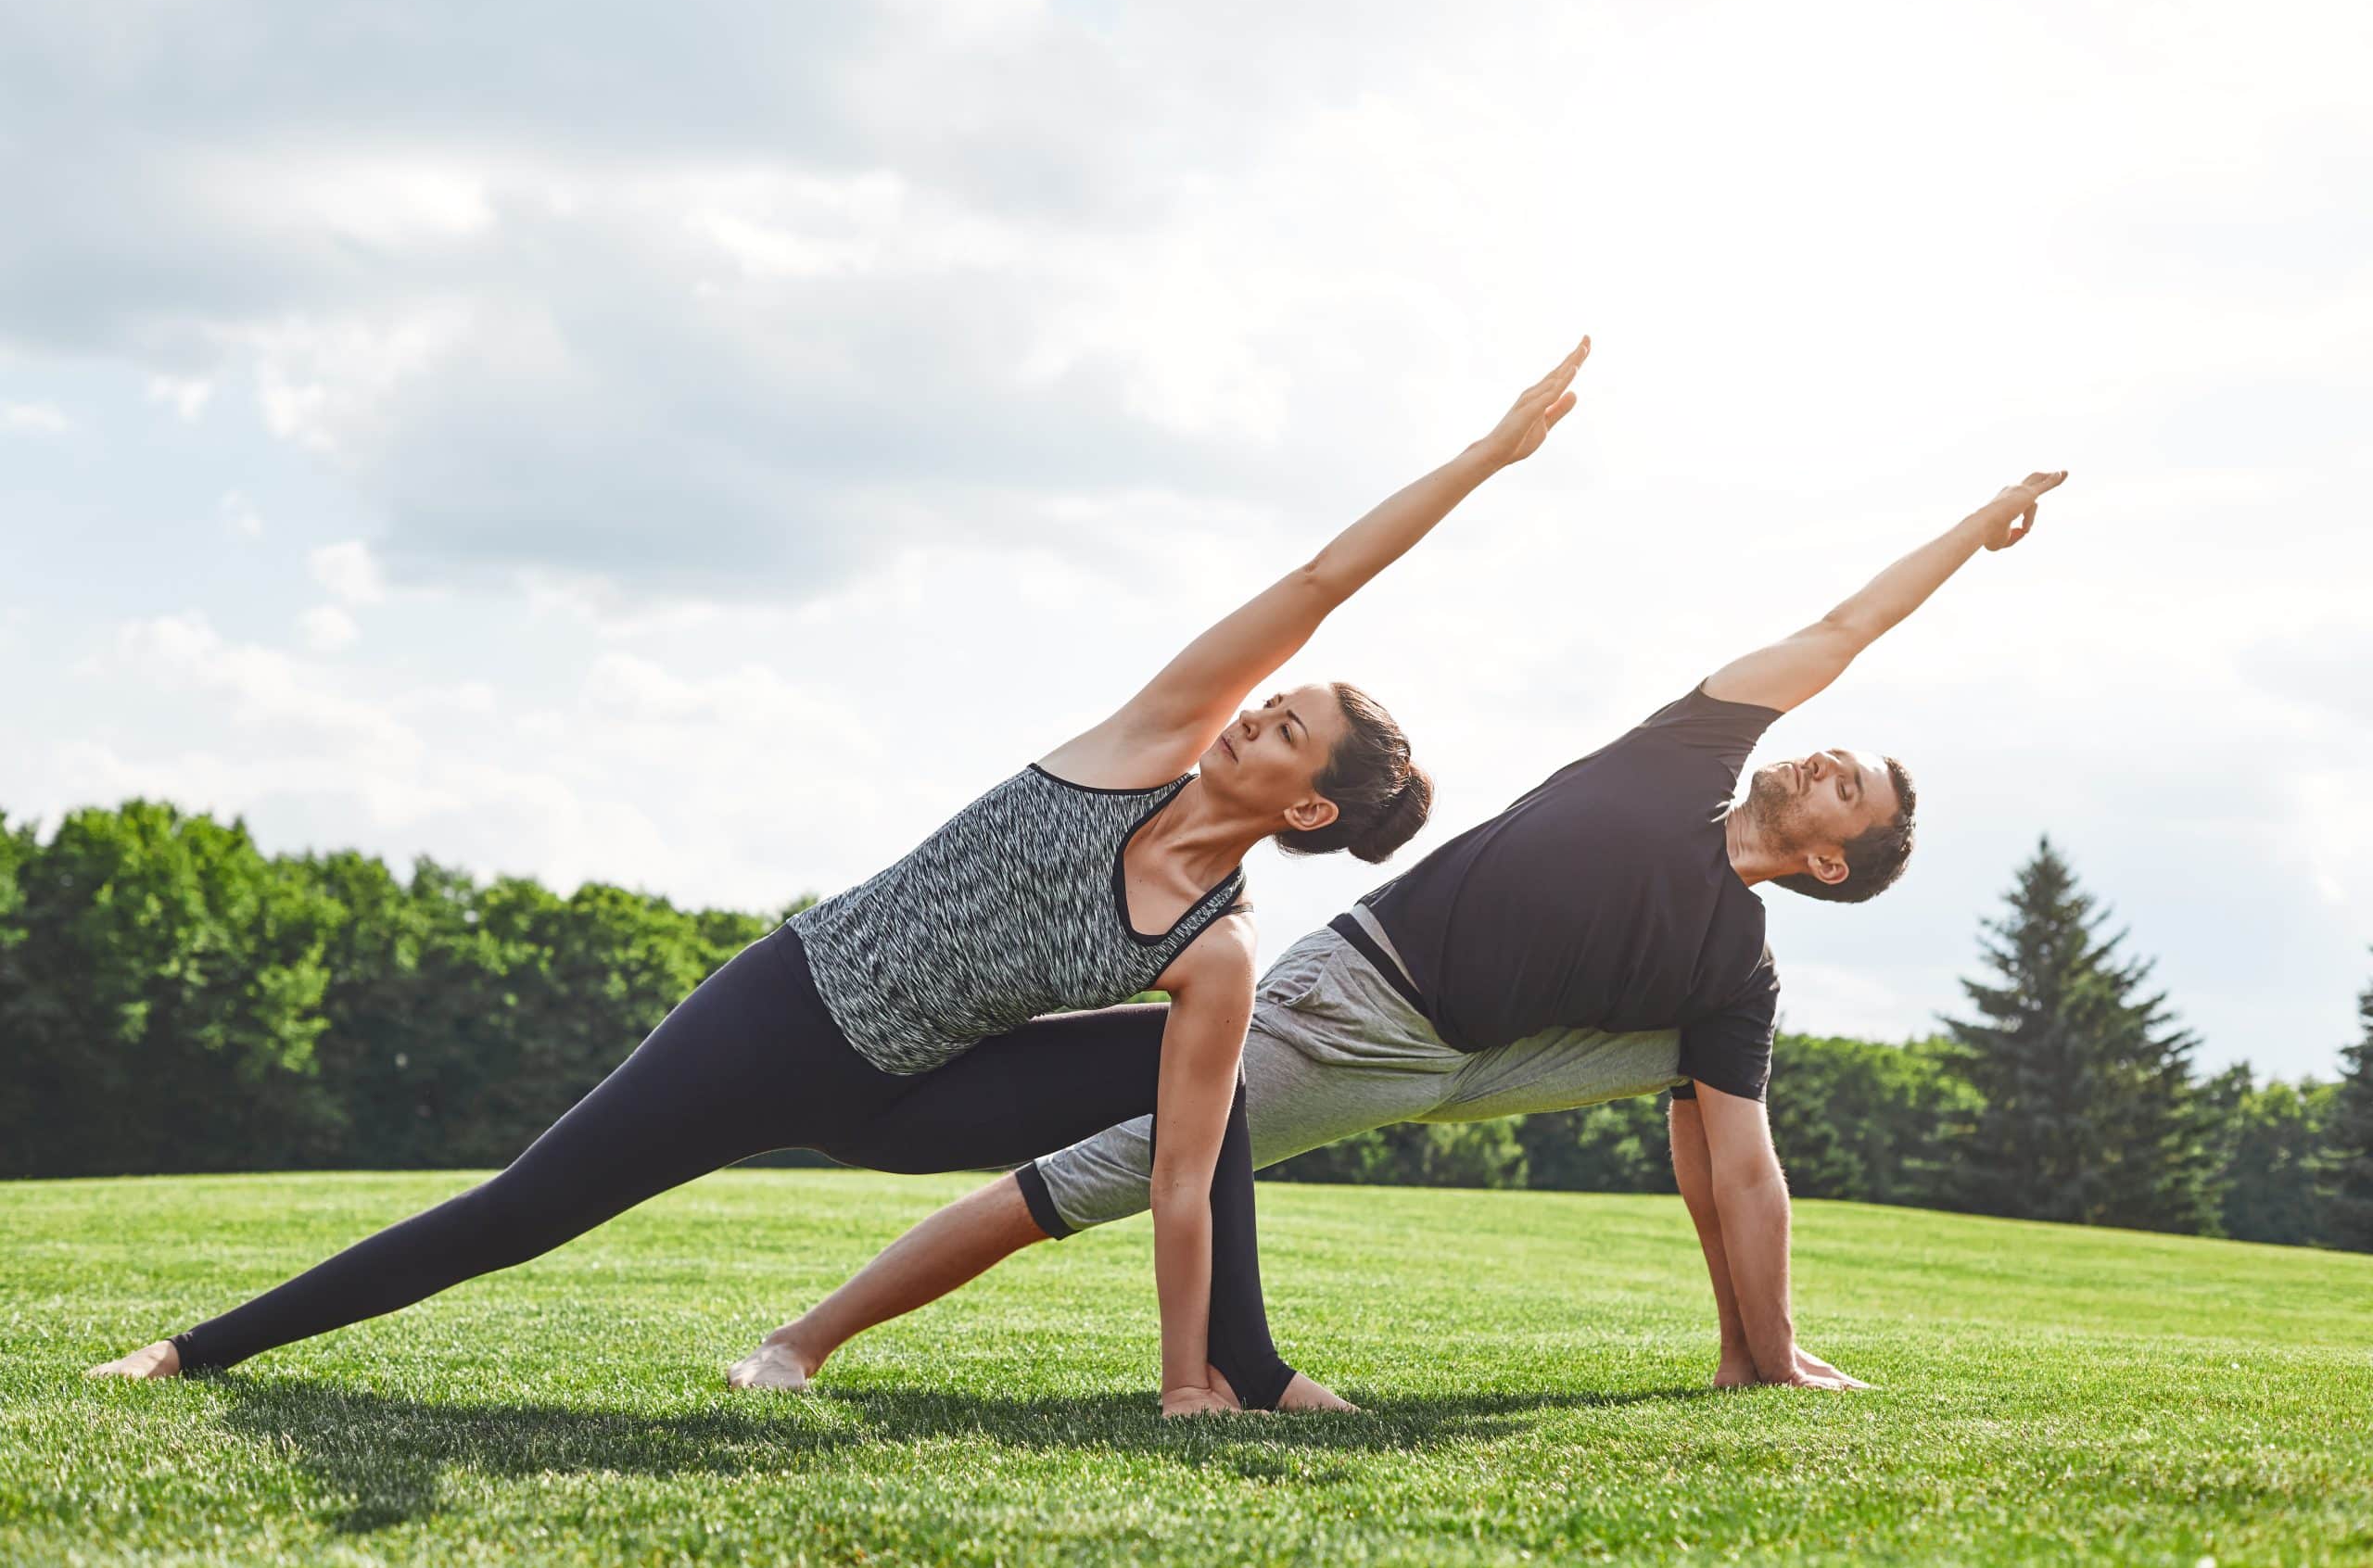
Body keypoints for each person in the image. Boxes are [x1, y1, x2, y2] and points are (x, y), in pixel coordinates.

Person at [85, 337, 1598, 1417]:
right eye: (1278, 696)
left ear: (1313, 813)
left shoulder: (1216, 952)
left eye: (1292, 729)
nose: (1264, 709)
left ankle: (1238, 1375)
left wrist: (1178, 1382)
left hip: (909, 1097)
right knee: (522, 1211)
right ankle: (192, 1354)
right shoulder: (1149, 735)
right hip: (787, 1013)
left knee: (1208, 1097)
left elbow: (1186, 1176)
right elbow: (1323, 577)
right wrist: (1481, 456)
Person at [726, 469, 2071, 1403]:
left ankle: (1751, 1355)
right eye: (1835, 753)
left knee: (1715, 1085)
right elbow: (1844, 627)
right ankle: (804, 1341)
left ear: (1830, 858)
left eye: (1847, 785)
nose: (1822, 757)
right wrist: (1967, 532)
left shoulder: (1739, 969)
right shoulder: (1687, 754)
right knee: (1093, 1176)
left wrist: (1770, 1339)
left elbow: (1744, 1169)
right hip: (1359, 1011)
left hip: (1497, 1058)